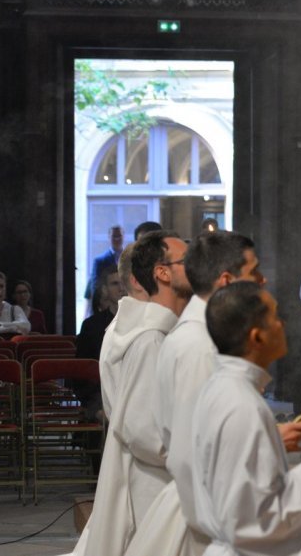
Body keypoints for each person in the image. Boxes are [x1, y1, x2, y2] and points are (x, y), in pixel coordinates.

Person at [125, 231, 301, 556]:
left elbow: (212, 436)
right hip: (211, 527)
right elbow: (190, 454)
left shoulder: (203, 335)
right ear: (226, 281)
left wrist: (268, 437)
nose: (262, 281)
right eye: (254, 272)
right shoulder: (201, 347)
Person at [192, 281, 301, 556]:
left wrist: (271, 440)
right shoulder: (240, 404)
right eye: (275, 318)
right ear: (257, 337)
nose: (282, 325)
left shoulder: (224, 388)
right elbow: (248, 522)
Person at [73, 230, 192, 556]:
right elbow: (145, 433)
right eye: (186, 260)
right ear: (161, 273)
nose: (196, 267)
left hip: (147, 476)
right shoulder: (148, 339)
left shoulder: (137, 327)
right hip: (152, 486)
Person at [77, 267, 121, 361]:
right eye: (115, 284)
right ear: (105, 290)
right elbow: (82, 367)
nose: (121, 288)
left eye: (125, 283)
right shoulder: (90, 326)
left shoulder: (142, 322)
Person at [88, 225, 125, 315]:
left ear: (123, 237)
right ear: (109, 237)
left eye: (119, 236)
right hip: (106, 306)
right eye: (114, 236)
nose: (117, 239)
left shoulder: (130, 258)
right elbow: (95, 286)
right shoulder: (99, 261)